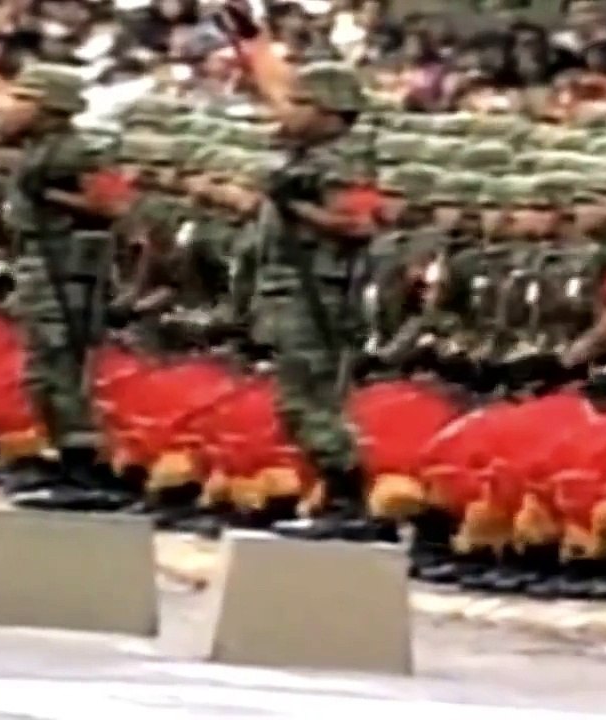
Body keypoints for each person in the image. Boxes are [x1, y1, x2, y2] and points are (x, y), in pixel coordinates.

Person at [0, 4, 132, 509]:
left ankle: (85, 467)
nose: (10, 104)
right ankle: (64, 457)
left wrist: (53, 197)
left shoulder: (75, 152)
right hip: (41, 267)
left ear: (49, 107)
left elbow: (113, 203)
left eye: (25, 97)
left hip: (69, 275)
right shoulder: (39, 142)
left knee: (65, 369)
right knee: (42, 370)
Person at [216, 2, 389, 541]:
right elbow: (275, 89)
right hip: (292, 292)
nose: (290, 111)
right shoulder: (311, 151)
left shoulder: (347, 158)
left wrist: (298, 207)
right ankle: (335, 498)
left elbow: (359, 224)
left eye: (304, 104)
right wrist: (251, 41)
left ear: (332, 110)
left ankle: (349, 499)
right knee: (298, 403)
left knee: (309, 402)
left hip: (321, 296)